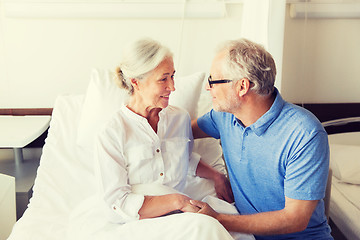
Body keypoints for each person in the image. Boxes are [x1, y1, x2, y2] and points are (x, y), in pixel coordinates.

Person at [190, 38, 333, 239]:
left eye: (213, 80)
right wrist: (214, 174)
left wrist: (217, 218)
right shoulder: (224, 116)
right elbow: (180, 133)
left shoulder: (304, 134)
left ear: (242, 87)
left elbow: (296, 219)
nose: (207, 87)